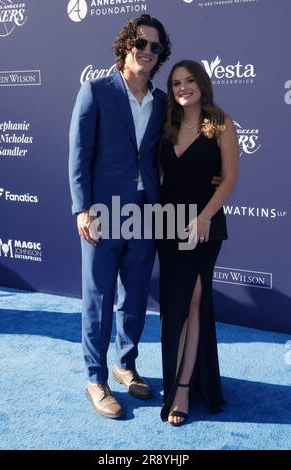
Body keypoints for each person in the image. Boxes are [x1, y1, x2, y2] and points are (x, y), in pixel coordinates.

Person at [68, 15, 171, 419]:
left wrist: (213, 169)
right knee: (98, 296)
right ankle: (95, 377)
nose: (147, 52)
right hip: (102, 213)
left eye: (155, 47)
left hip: (146, 213)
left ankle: (125, 364)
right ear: (125, 46)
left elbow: (178, 149)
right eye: (140, 44)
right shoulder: (95, 91)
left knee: (135, 294)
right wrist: (81, 208)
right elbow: (79, 155)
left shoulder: (163, 102)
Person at [158, 60, 239, 426]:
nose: (182, 88)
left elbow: (230, 180)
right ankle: (177, 376)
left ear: (202, 84)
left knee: (193, 299)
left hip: (203, 225)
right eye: (176, 83)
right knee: (174, 305)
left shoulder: (220, 122)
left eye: (189, 80)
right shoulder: (167, 123)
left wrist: (204, 216)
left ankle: (185, 388)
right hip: (167, 225)